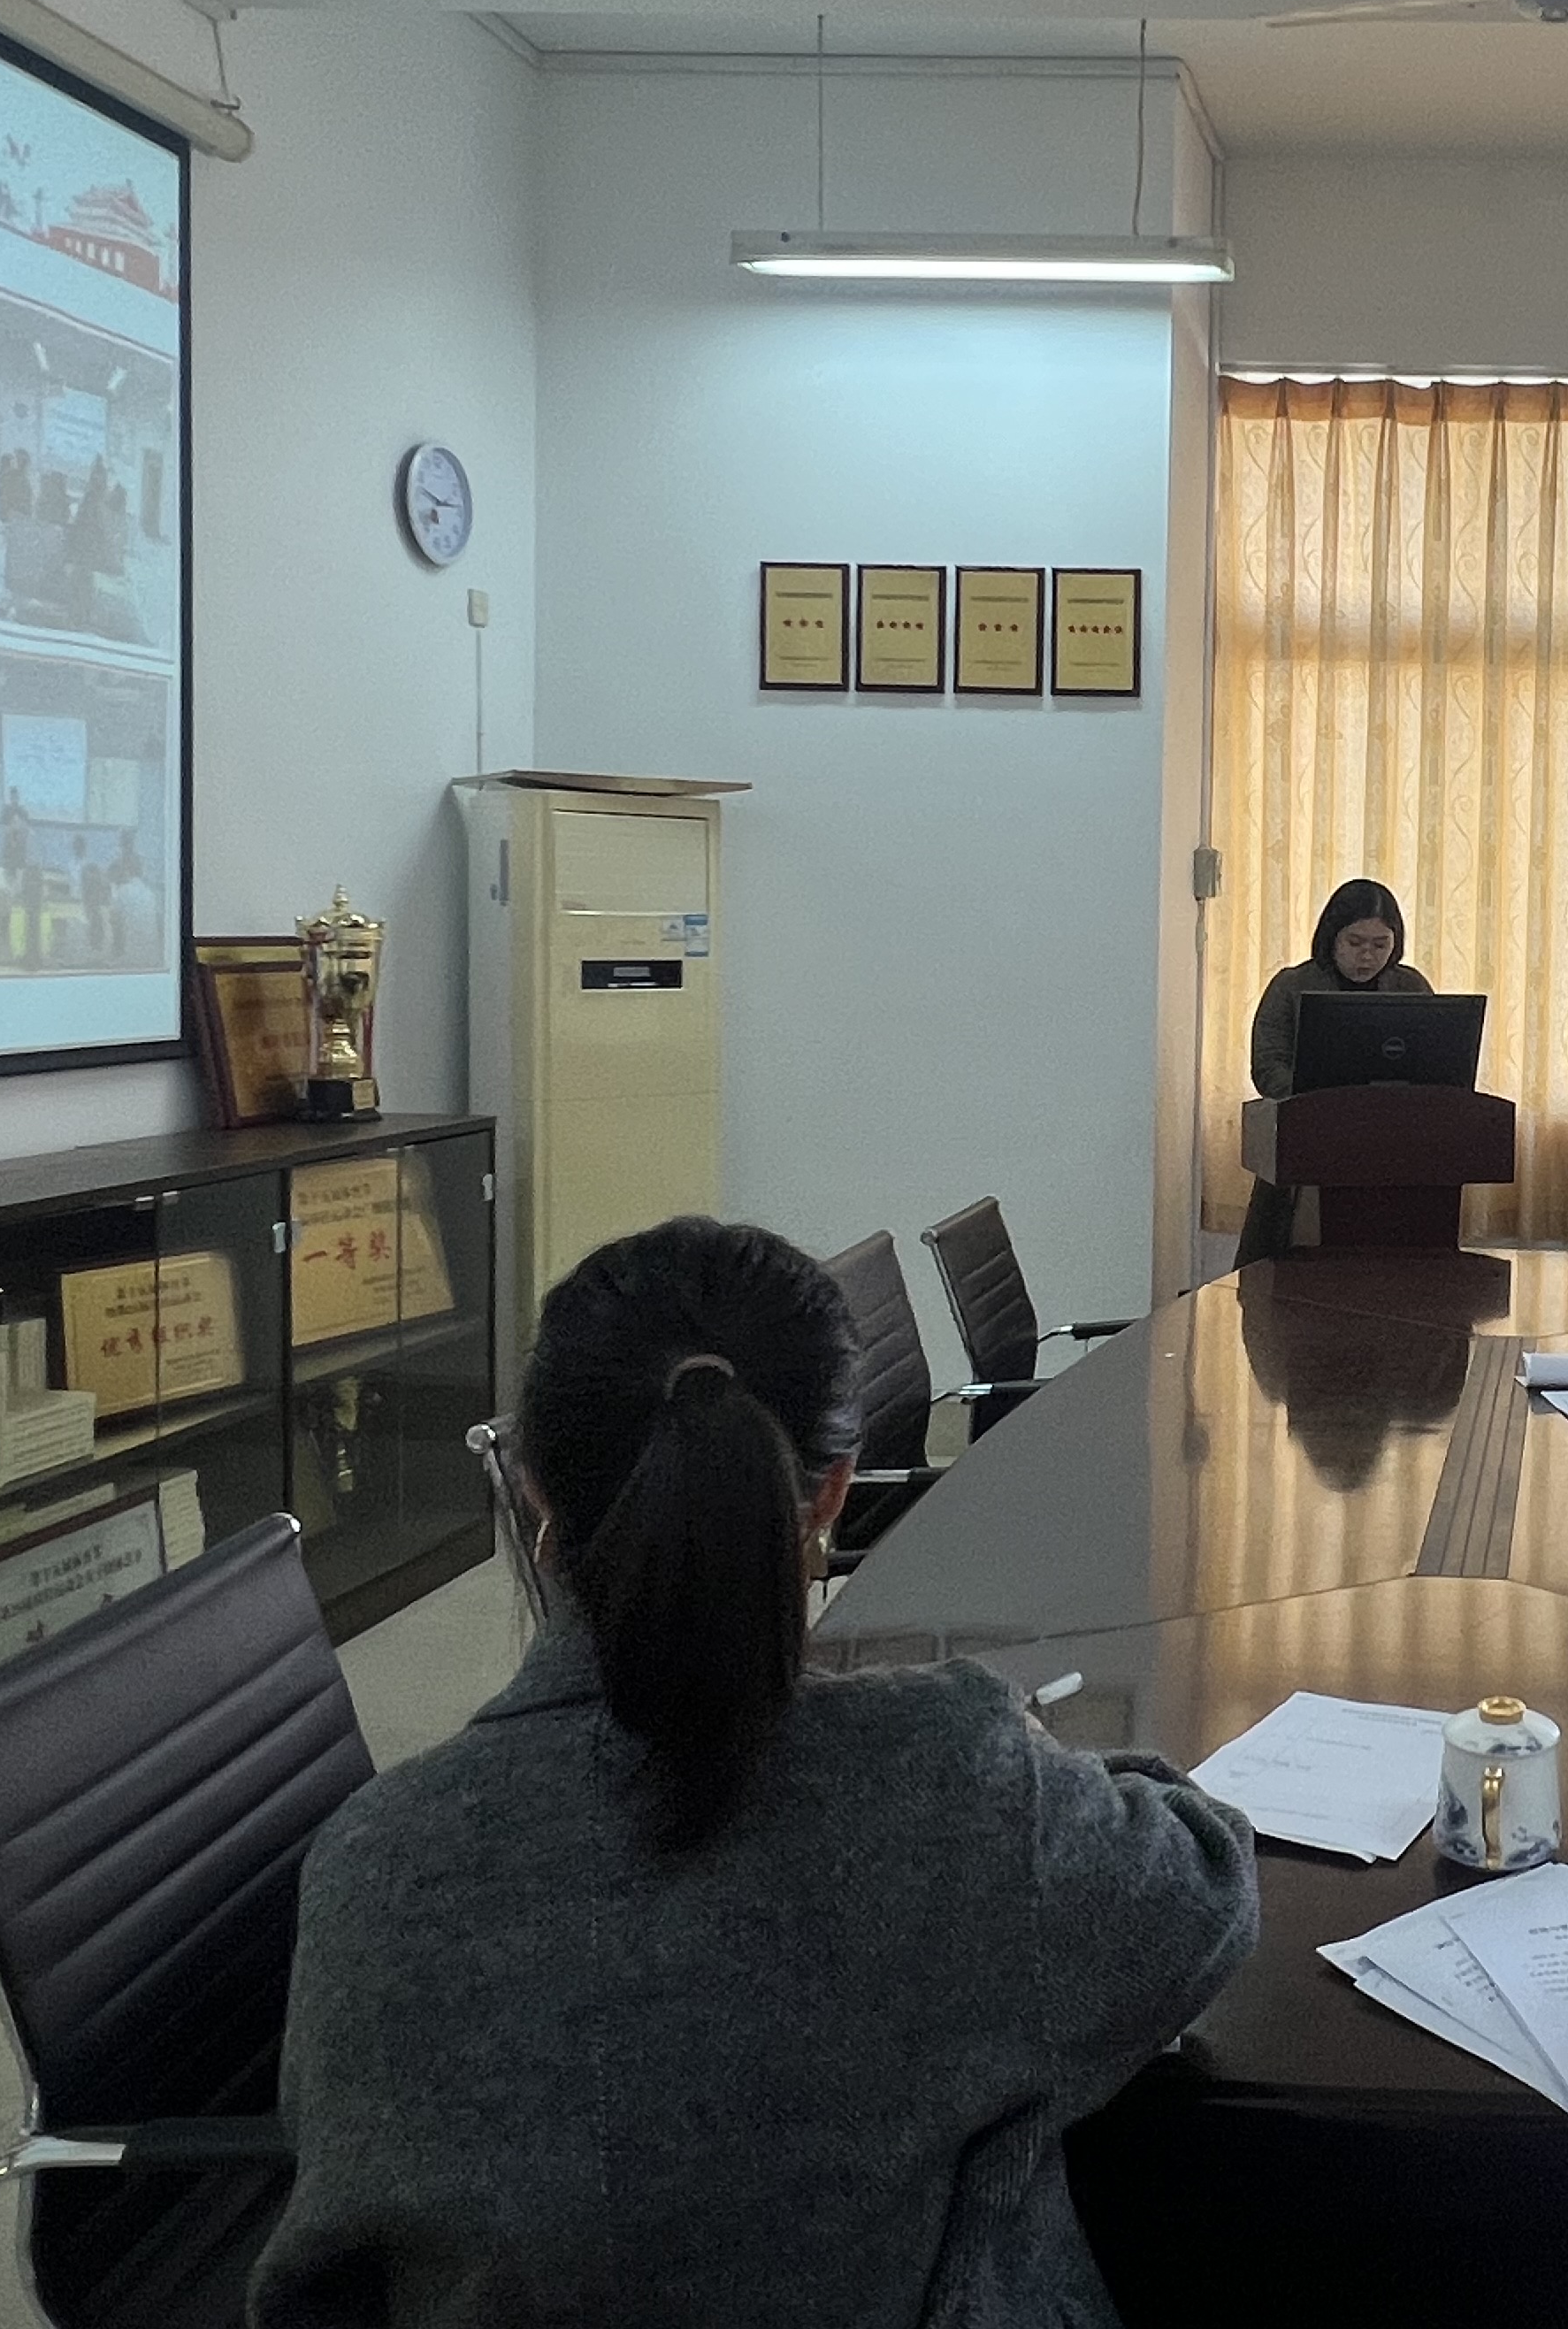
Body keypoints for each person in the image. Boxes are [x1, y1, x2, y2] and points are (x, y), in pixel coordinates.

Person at [256, 1217, 1260, 2329]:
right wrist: (1021, 1759)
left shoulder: (372, 1864)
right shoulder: (947, 1783)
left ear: (533, 1486)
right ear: (833, 1492)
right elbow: (1205, 1892)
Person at [1235, 876, 1434, 1266]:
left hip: (1391, 1146)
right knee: (1293, 1275)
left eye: (1380, 945)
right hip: (1308, 1143)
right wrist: (1319, 1098)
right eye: (1355, 943)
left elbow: (1435, 1063)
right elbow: (1268, 1066)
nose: (1367, 956)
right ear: (1332, 937)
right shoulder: (1292, 985)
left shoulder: (1410, 987)